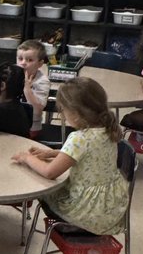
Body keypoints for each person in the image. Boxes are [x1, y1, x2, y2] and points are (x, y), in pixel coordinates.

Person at [11, 77, 128, 235]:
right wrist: (54, 153)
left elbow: (50, 172)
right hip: (111, 209)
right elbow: (91, 155)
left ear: (77, 114)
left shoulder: (79, 138)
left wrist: (26, 158)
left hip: (85, 212)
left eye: (63, 110)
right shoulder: (107, 129)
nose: (63, 116)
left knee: (39, 185)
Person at [17, 40, 51, 135]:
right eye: (20, 58)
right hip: (12, 121)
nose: (23, 63)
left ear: (40, 64)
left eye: (29, 60)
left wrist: (27, 90)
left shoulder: (42, 81)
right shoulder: (13, 74)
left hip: (31, 127)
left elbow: (37, 110)